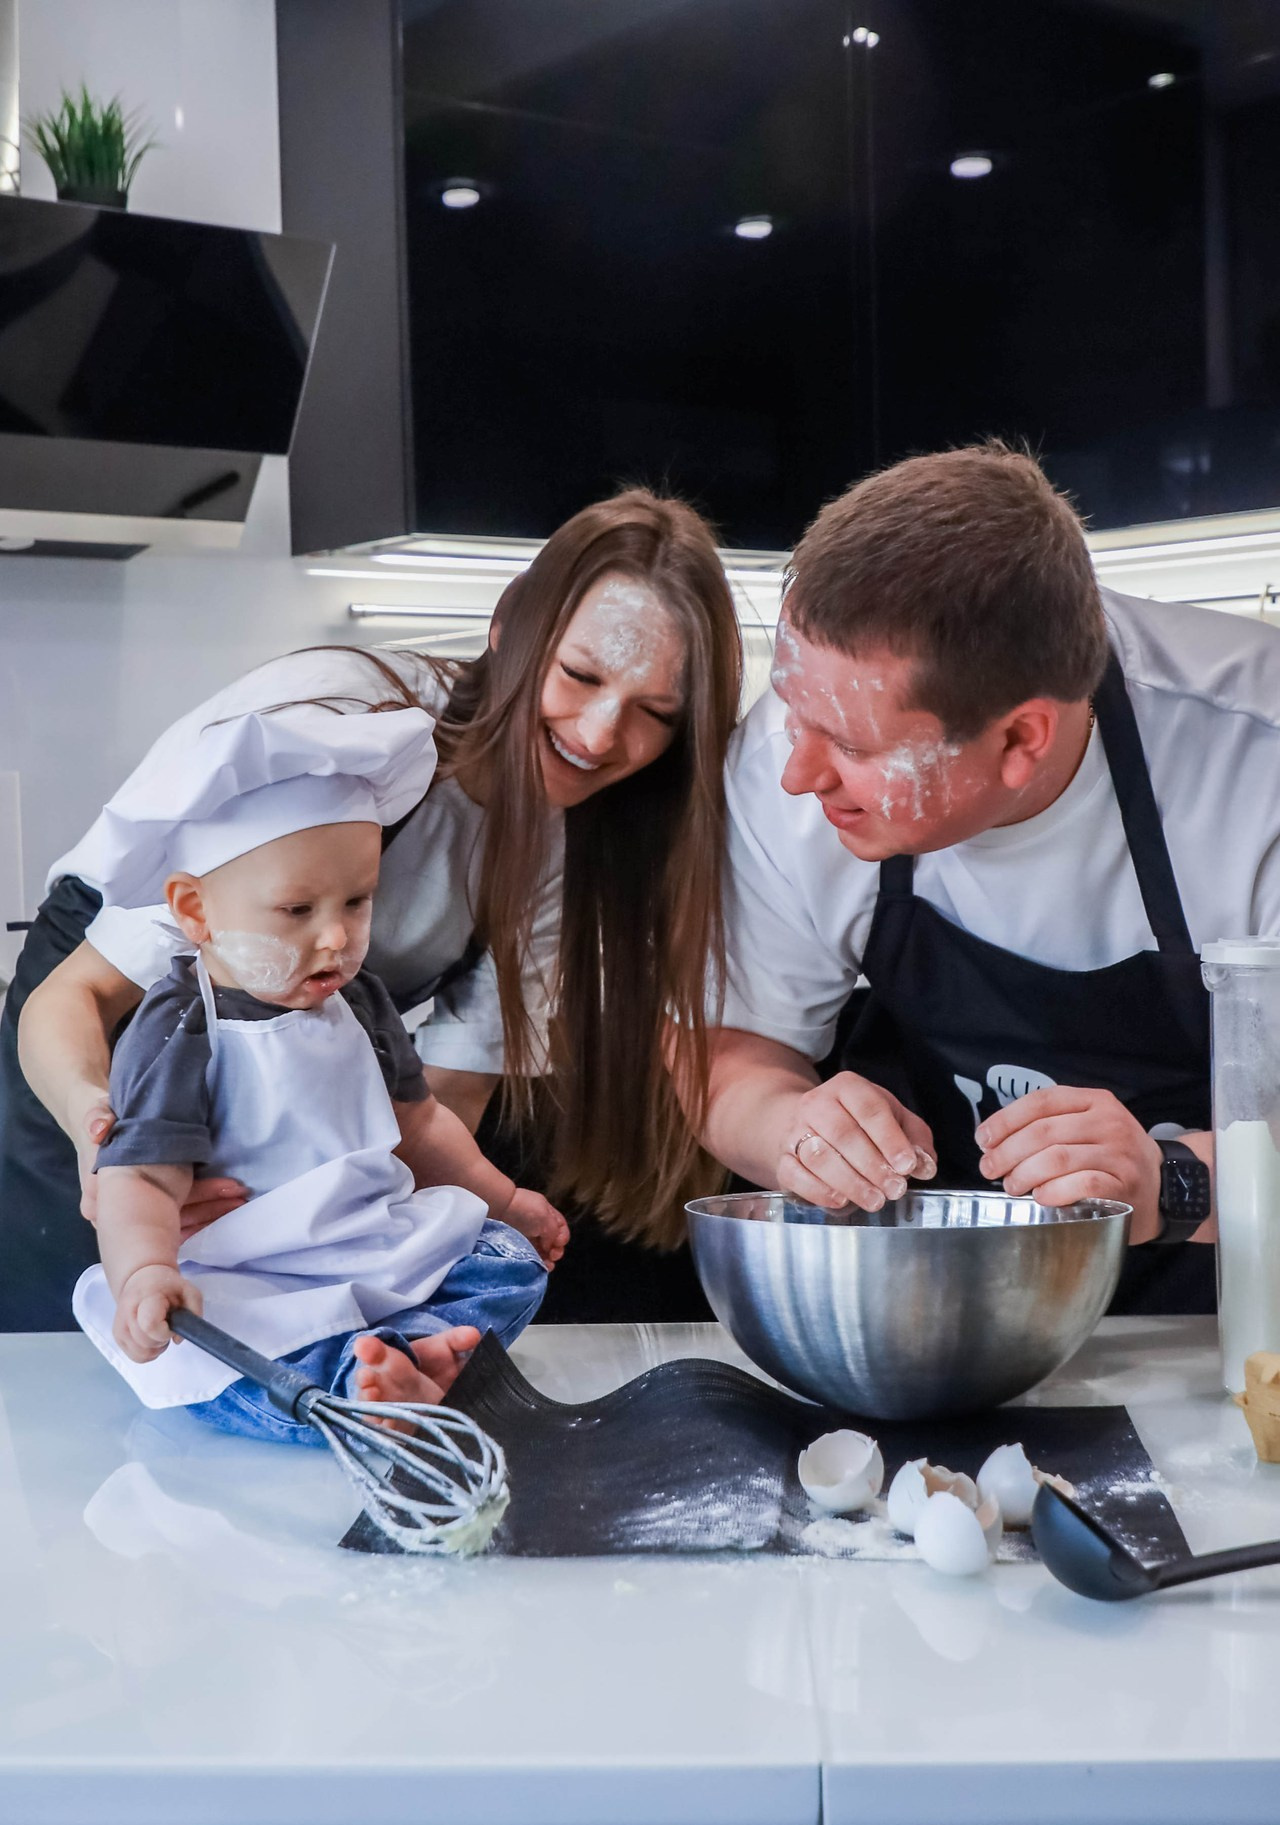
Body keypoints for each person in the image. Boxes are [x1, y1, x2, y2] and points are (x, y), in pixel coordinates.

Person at [4, 488, 743, 1330]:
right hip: (94, 1052)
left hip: (282, 1096)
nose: (605, 735)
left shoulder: (559, 852)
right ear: (509, 629)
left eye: (655, 715)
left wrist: (386, 1244)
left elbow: (431, 1108)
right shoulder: (338, 727)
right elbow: (80, 997)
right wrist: (110, 1153)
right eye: (580, 675)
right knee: (84, 1356)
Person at [72, 699, 551, 1825]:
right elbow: (135, 1176)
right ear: (194, 913)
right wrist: (142, 1272)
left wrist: (503, 1194)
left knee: (503, 1259)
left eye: (356, 903)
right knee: (240, 1367)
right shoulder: (182, 1023)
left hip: (371, 1249)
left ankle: (400, 1365)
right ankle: (368, 1390)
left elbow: (418, 1126)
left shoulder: (358, 1001)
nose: (335, 936)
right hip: (254, 1282)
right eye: (297, 913)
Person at [699, 443, 1280, 1313]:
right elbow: (726, 1057)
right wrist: (790, 1126)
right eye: (795, 717)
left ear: (1020, 741)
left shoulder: (1254, 761)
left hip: (1232, 1320)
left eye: (856, 748)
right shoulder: (796, 753)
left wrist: (1180, 1180)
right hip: (940, 1315)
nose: (799, 772)